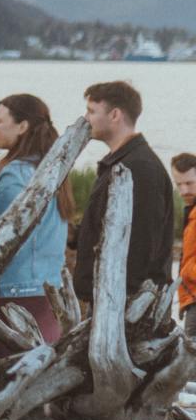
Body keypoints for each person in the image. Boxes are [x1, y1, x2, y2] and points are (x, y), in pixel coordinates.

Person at [0, 94, 72, 344]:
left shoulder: (14, 175)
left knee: (1, 377)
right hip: (47, 295)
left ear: (22, 126)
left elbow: (6, 240)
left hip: (11, 297)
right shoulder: (51, 170)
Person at [72, 80, 175, 309]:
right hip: (108, 297)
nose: (85, 119)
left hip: (126, 305)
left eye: (91, 111)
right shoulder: (122, 162)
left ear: (115, 114)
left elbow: (143, 240)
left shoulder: (140, 168)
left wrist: (123, 299)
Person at [173, 152, 196, 339]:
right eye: (179, 184)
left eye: (189, 183)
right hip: (191, 298)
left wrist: (187, 273)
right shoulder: (191, 211)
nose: (183, 191)